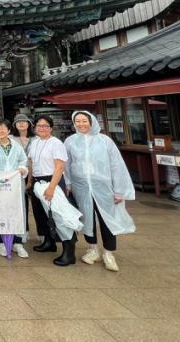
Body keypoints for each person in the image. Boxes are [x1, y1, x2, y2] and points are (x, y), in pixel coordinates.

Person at [65, 111, 136, 272]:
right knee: (86, 218)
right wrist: (68, 183)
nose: (81, 124)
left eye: (84, 121)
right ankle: (92, 249)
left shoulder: (105, 141)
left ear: (91, 122)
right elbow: (67, 165)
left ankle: (108, 253)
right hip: (81, 187)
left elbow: (116, 165)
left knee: (107, 219)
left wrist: (119, 190)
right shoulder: (70, 141)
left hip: (104, 188)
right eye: (78, 121)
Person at [28, 114, 75, 266]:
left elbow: (59, 167)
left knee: (60, 215)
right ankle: (49, 242)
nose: (42, 128)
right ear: (35, 127)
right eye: (39, 125)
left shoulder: (56, 143)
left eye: (45, 126)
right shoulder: (34, 142)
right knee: (42, 214)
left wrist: (51, 187)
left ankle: (69, 251)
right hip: (37, 182)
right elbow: (31, 163)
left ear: (51, 128)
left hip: (52, 181)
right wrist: (30, 182)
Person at [0, 119, 29, 258]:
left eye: (2, 128)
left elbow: (23, 161)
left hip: (15, 185)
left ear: (8, 130)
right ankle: (1, 242)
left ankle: (17, 242)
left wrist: (22, 169)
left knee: (17, 211)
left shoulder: (16, 146)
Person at [11, 113, 35, 240]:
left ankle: (43, 233)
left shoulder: (35, 139)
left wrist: (30, 180)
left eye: (24, 121)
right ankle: (23, 230)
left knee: (37, 204)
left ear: (29, 124)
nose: (21, 123)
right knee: (20, 203)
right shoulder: (11, 138)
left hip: (34, 173)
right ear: (14, 125)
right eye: (18, 122)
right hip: (17, 174)